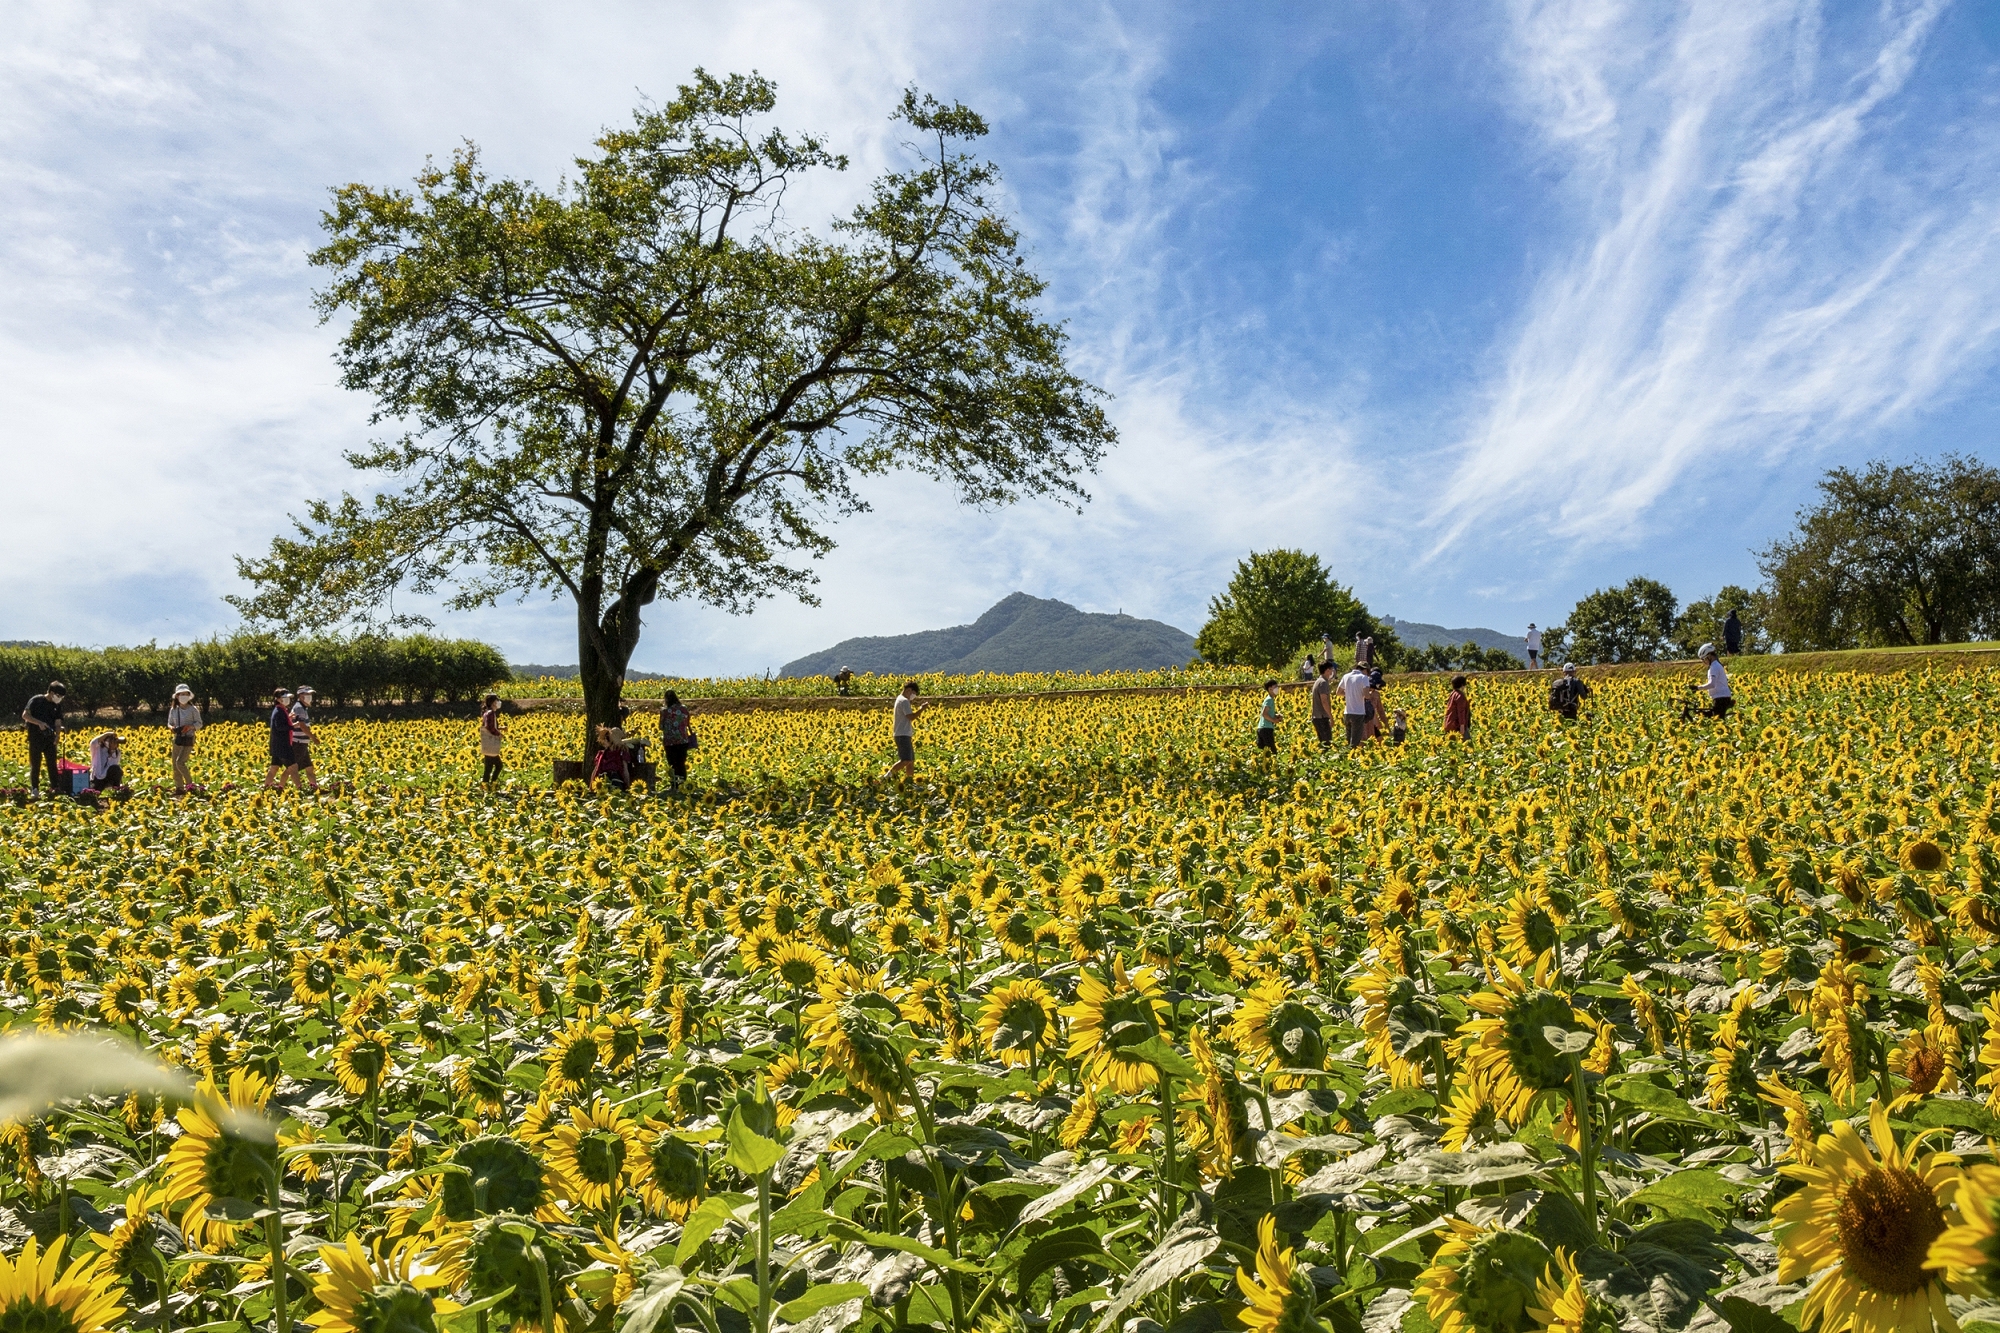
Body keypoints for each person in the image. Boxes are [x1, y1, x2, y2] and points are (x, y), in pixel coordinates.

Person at [20, 680, 66, 796]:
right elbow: (25, 715)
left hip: (49, 739)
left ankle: (55, 788)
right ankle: (35, 789)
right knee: (35, 765)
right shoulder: (36, 700)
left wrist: (57, 735)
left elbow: (58, 722)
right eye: (58, 696)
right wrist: (39, 723)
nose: (59, 698)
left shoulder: (57, 705)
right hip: (35, 738)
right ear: (51, 693)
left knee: (52, 765)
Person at [166, 683, 202, 792]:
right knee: (174, 764)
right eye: (181, 694)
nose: (183, 696)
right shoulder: (173, 709)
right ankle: (179, 787)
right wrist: (172, 728)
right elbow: (169, 723)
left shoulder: (193, 709)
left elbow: (199, 723)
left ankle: (190, 785)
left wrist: (190, 727)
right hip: (177, 738)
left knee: (180, 762)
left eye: (186, 694)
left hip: (188, 738)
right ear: (177, 696)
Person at [886, 681, 925, 777]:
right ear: (909, 690)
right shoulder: (904, 701)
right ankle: (886, 777)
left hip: (903, 734)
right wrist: (921, 709)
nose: (914, 696)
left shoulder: (900, 700)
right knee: (906, 760)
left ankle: (909, 781)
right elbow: (911, 717)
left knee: (910, 761)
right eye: (914, 694)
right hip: (902, 734)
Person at [659, 690, 696, 789]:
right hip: (682, 740)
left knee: (672, 764)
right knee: (681, 763)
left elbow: (661, 727)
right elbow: (687, 723)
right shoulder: (684, 709)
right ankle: (683, 785)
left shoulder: (664, 711)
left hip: (669, 742)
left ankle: (674, 785)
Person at [264, 689, 296, 791]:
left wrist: (289, 719)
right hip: (282, 745)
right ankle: (296, 788)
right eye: (285, 698)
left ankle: (267, 788)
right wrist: (292, 726)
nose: (288, 700)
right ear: (278, 699)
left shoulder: (281, 710)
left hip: (277, 745)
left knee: (274, 768)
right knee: (293, 767)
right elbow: (279, 727)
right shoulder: (278, 711)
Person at [290, 686, 320, 793]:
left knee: (309, 767)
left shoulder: (302, 707)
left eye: (310, 695)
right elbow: (302, 725)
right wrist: (313, 738)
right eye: (307, 695)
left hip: (302, 742)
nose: (309, 697)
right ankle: (298, 789)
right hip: (298, 742)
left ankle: (314, 788)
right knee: (293, 768)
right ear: (301, 696)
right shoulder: (299, 707)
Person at [1693, 643, 1734, 719]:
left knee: (1715, 720)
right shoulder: (1717, 665)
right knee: (1708, 716)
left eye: (1703, 659)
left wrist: (1698, 688)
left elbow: (1712, 684)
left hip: (1721, 698)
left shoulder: (1714, 667)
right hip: (1722, 697)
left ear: (1709, 656)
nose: (1703, 662)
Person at [1338, 661, 1370, 749]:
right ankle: (1352, 759)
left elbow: (1338, 692)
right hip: (1358, 713)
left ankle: (1346, 757)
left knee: (1348, 740)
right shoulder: (1364, 678)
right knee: (1355, 741)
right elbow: (1366, 695)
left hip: (1347, 713)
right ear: (1365, 670)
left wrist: (1350, 693)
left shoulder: (1346, 676)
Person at [590, 723, 632, 788]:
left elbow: (625, 770)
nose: (605, 742)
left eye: (606, 739)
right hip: (603, 780)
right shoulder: (602, 754)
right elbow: (596, 770)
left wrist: (627, 785)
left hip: (614, 780)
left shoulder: (621, 753)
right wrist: (591, 786)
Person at [478, 693, 506, 784]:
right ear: (493, 702)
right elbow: (489, 727)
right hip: (491, 744)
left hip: (487, 744)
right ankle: (492, 784)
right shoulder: (491, 713)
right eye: (497, 700)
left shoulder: (487, 712)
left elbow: (490, 726)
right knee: (499, 766)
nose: (498, 702)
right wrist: (499, 734)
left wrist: (501, 728)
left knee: (488, 768)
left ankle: (486, 786)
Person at [1309, 661, 1336, 749]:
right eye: (1331, 669)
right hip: (1322, 717)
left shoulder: (1318, 681)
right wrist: (1331, 717)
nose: (1332, 672)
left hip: (1317, 717)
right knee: (1327, 745)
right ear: (1327, 670)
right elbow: (1324, 701)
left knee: (1323, 745)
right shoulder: (1323, 682)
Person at [1443, 674, 1472, 740]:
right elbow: (1461, 712)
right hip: (1457, 726)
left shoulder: (1453, 693)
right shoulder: (1460, 696)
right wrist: (1462, 726)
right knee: (1467, 744)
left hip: (1449, 723)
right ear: (1462, 685)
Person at [1256, 680, 1280, 751]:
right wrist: (1274, 720)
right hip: (1266, 728)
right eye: (1275, 687)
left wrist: (1276, 716)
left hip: (1261, 728)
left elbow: (1267, 714)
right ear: (1270, 689)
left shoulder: (1268, 699)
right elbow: (1264, 714)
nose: (1277, 688)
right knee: (1272, 751)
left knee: (1263, 751)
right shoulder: (1269, 700)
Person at [1364, 665, 1387, 741]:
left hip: (1373, 723)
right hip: (1363, 722)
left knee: (1380, 741)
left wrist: (1386, 725)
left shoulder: (1376, 694)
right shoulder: (1363, 691)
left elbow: (1380, 711)